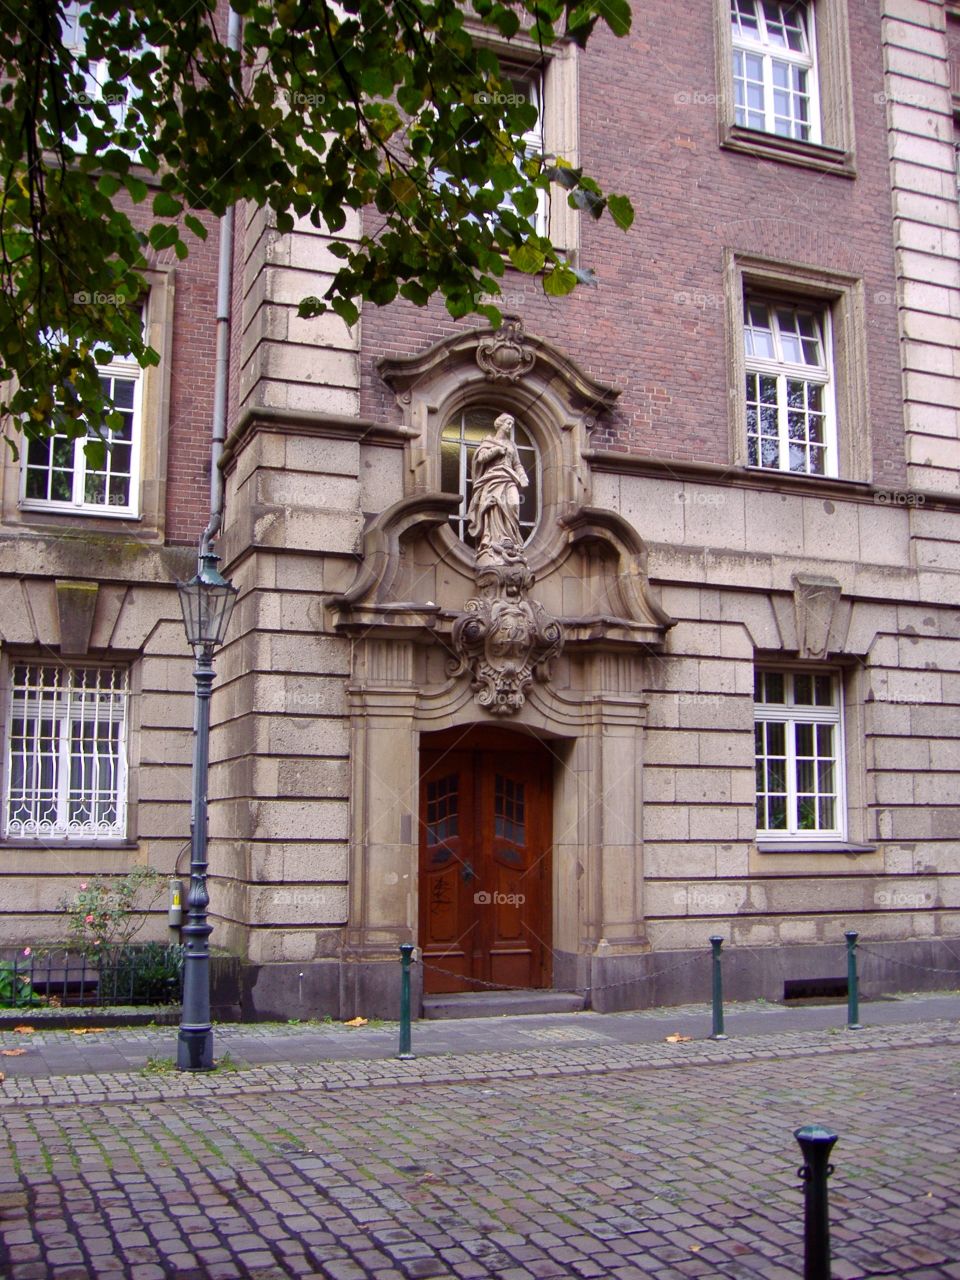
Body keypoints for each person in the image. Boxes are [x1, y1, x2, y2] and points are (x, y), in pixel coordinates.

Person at [466, 413, 529, 561]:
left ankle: (511, 539)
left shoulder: (512, 445)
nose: (510, 427)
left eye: (511, 424)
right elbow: (481, 459)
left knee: (513, 504)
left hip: (509, 478)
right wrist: (496, 451)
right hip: (493, 479)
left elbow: (517, 464)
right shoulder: (489, 441)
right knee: (494, 508)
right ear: (499, 424)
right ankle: (494, 540)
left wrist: (523, 476)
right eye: (508, 423)